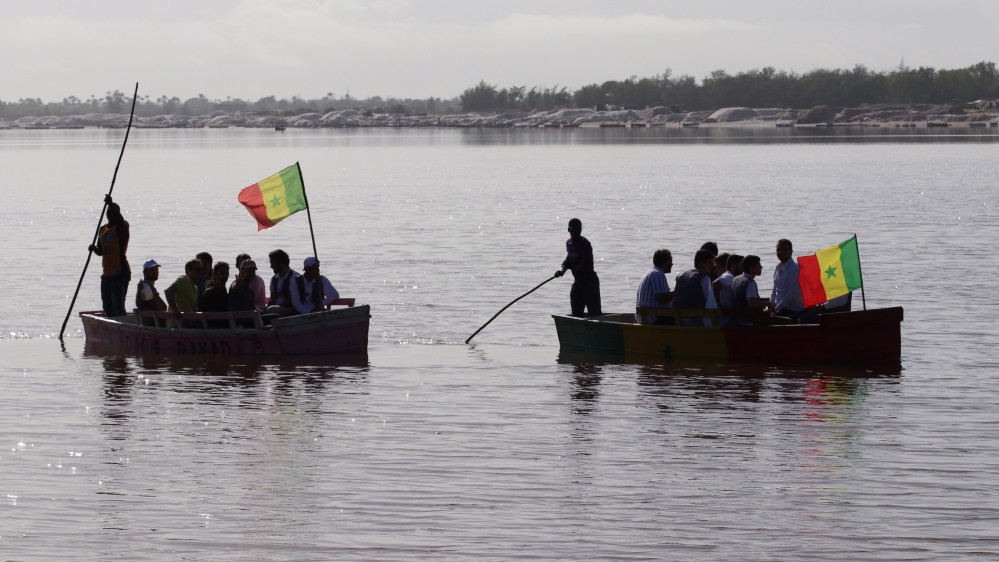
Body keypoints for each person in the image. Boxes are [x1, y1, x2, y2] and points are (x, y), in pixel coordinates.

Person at [88, 194, 131, 317]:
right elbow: (101, 252)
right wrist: (93, 249)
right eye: (109, 212)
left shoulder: (122, 228)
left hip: (120, 274)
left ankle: (122, 330)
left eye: (113, 212)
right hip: (106, 275)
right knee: (107, 308)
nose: (110, 214)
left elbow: (121, 221)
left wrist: (111, 204)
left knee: (118, 308)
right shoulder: (102, 229)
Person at [554, 218, 601, 317]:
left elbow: (585, 266)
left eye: (578, 229)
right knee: (576, 315)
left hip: (590, 284)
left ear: (581, 230)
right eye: (573, 229)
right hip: (578, 284)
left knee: (595, 315)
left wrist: (571, 266)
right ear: (569, 230)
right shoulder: (569, 243)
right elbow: (570, 258)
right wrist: (562, 271)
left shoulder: (585, 244)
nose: (576, 232)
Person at [672, 249, 718, 326]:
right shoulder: (704, 278)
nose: (713, 266)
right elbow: (708, 303)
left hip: (678, 319)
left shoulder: (680, 275)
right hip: (694, 319)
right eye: (710, 263)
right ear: (701, 263)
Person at [731, 255, 775, 325]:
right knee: (788, 321)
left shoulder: (736, 279)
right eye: (758, 265)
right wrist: (768, 303)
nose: (761, 267)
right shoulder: (750, 283)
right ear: (751, 267)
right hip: (749, 320)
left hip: (735, 319)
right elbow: (752, 304)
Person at [635, 249, 674, 324]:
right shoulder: (658, 275)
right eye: (671, 261)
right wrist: (678, 293)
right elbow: (663, 299)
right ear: (666, 262)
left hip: (645, 317)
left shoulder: (650, 273)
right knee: (682, 320)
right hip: (653, 319)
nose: (672, 264)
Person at [164, 259, 204, 328]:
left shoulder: (196, 288)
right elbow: (168, 291)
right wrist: (175, 309)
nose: (200, 272)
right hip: (177, 323)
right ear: (188, 271)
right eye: (198, 270)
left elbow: (194, 309)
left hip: (187, 322)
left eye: (201, 270)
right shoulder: (184, 279)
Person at [772, 238, 804, 321]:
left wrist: (776, 308)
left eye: (785, 250)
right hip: (780, 308)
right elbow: (774, 291)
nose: (781, 252)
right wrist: (770, 306)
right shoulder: (778, 268)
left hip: (793, 309)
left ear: (791, 251)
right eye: (779, 250)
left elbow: (792, 294)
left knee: (767, 320)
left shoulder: (794, 269)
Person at [266, 249, 300, 317]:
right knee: (255, 309)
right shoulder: (274, 279)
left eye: (273, 263)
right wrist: (265, 309)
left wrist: (274, 307)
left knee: (271, 310)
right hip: (275, 308)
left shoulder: (294, 278)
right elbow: (273, 299)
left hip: (290, 309)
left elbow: (290, 301)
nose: (271, 266)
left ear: (281, 262)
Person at [135, 259, 167, 326]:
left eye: (156, 270)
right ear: (145, 272)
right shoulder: (146, 286)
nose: (155, 272)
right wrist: (139, 292)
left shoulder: (146, 286)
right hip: (155, 325)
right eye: (152, 270)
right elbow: (141, 298)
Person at [228, 261, 259, 328]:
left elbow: (251, 306)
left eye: (253, 270)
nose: (251, 273)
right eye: (248, 270)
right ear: (241, 271)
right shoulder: (237, 284)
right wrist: (238, 284)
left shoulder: (249, 288)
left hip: (251, 318)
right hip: (243, 322)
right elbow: (235, 288)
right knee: (274, 316)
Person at [199, 262, 231, 328]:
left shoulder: (222, 287)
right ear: (214, 273)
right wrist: (213, 289)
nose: (225, 276)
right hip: (210, 325)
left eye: (227, 274)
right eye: (222, 273)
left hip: (221, 323)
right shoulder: (210, 283)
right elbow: (206, 291)